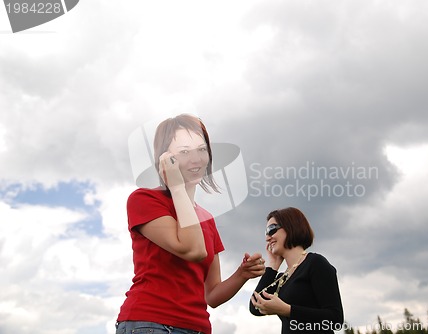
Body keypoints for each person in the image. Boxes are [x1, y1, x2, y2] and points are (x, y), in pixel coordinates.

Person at [116, 114, 266, 334]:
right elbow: (192, 249)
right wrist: (176, 187)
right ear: (166, 159)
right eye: (184, 151)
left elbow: (211, 295)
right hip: (151, 323)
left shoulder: (207, 219)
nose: (196, 159)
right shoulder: (144, 200)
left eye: (201, 149)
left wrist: (241, 274)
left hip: (197, 328)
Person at [249, 207, 344, 333]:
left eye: (271, 230)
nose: (267, 237)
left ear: (290, 226)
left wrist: (288, 310)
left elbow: (335, 320)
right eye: (265, 233)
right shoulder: (283, 277)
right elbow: (255, 306)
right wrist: (272, 266)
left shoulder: (315, 263)